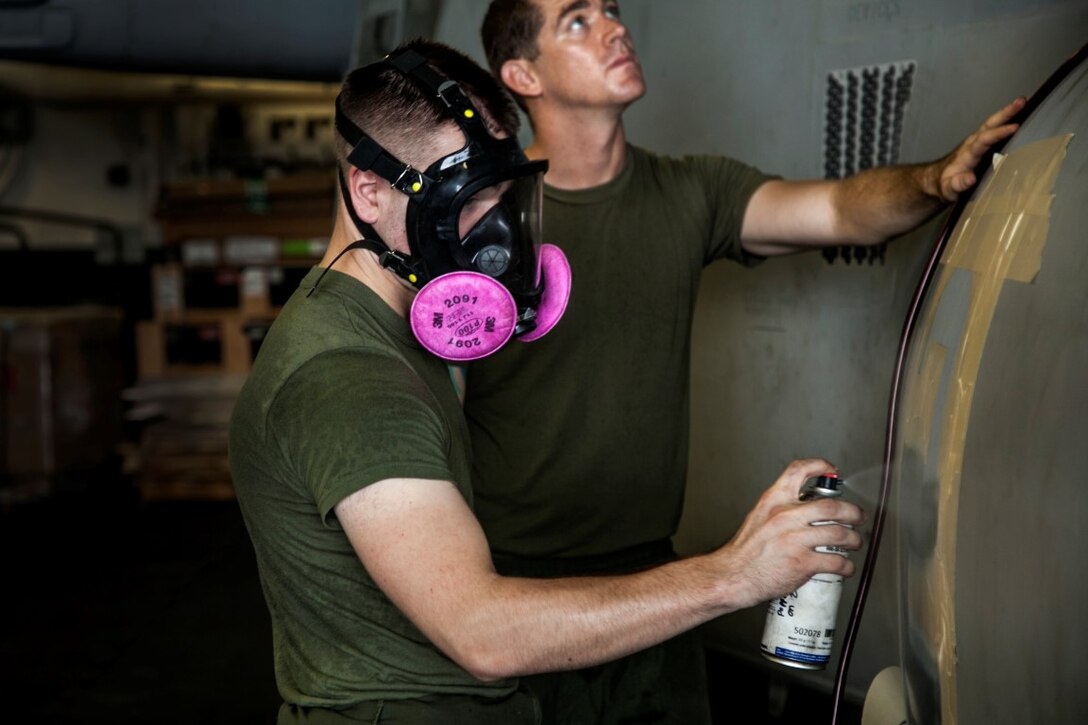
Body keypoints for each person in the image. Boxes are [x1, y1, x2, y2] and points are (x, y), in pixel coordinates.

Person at [229, 38, 864, 724]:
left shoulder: (381, 330)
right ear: (369, 190)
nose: (497, 230)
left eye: (505, 196)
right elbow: (482, 631)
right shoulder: (348, 377)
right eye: (468, 200)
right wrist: (737, 573)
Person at [467, 1, 1027, 722]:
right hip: (514, 586)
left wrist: (935, 178)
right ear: (522, 74)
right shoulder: (483, 217)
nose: (614, 27)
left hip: (657, 581)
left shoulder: (689, 190)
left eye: (609, 9)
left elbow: (839, 210)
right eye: (576, 21)